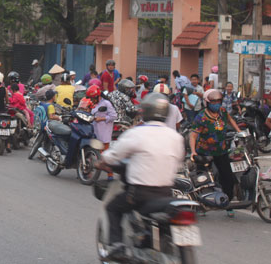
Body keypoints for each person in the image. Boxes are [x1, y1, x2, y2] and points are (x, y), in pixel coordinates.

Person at [96, 93, 184, 260]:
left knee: (112, 208)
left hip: (140, 194)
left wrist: (101, 161)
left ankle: (117, 247)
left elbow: (113, 155)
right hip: (166, 194)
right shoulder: (176, 137)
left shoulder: (137, 133)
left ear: (145, 112)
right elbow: (178, 163)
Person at [189, 89, 241, 218]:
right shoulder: (201, 117)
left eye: (219, 101)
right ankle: (200, 205)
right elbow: (193, 136)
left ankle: (227, 203)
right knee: (202, 180)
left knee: (227, 178)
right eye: (213, 101)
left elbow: (230, 120)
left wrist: (240, 132)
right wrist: (193, 151)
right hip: (204, 152)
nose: (216, 104)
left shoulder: (222, 112)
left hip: (221, 151)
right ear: (207, 102)